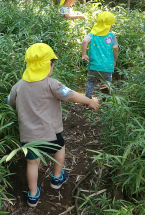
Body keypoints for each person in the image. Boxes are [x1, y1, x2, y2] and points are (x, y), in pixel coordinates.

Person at [8, 43, 99, 207]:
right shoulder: (52, 84)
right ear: (49, 65)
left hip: (28, 137)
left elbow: (10, 102)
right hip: (51, 134)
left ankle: (33, 196)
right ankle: (57, 178)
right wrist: (89, 101)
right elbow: (71, 96)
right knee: (60, 148)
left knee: (32, 163)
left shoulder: (18, 86)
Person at [82, 11, 119, 99]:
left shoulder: (92, 35)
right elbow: (116, 49)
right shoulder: (111, 36)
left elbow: (85, 41)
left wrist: (84, 54)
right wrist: (115, 60)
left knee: (91, 81)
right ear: (110, 25)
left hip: (94, 65)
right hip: (107, 66)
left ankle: (88, 97)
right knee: (107, 81)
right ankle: (105, 94)